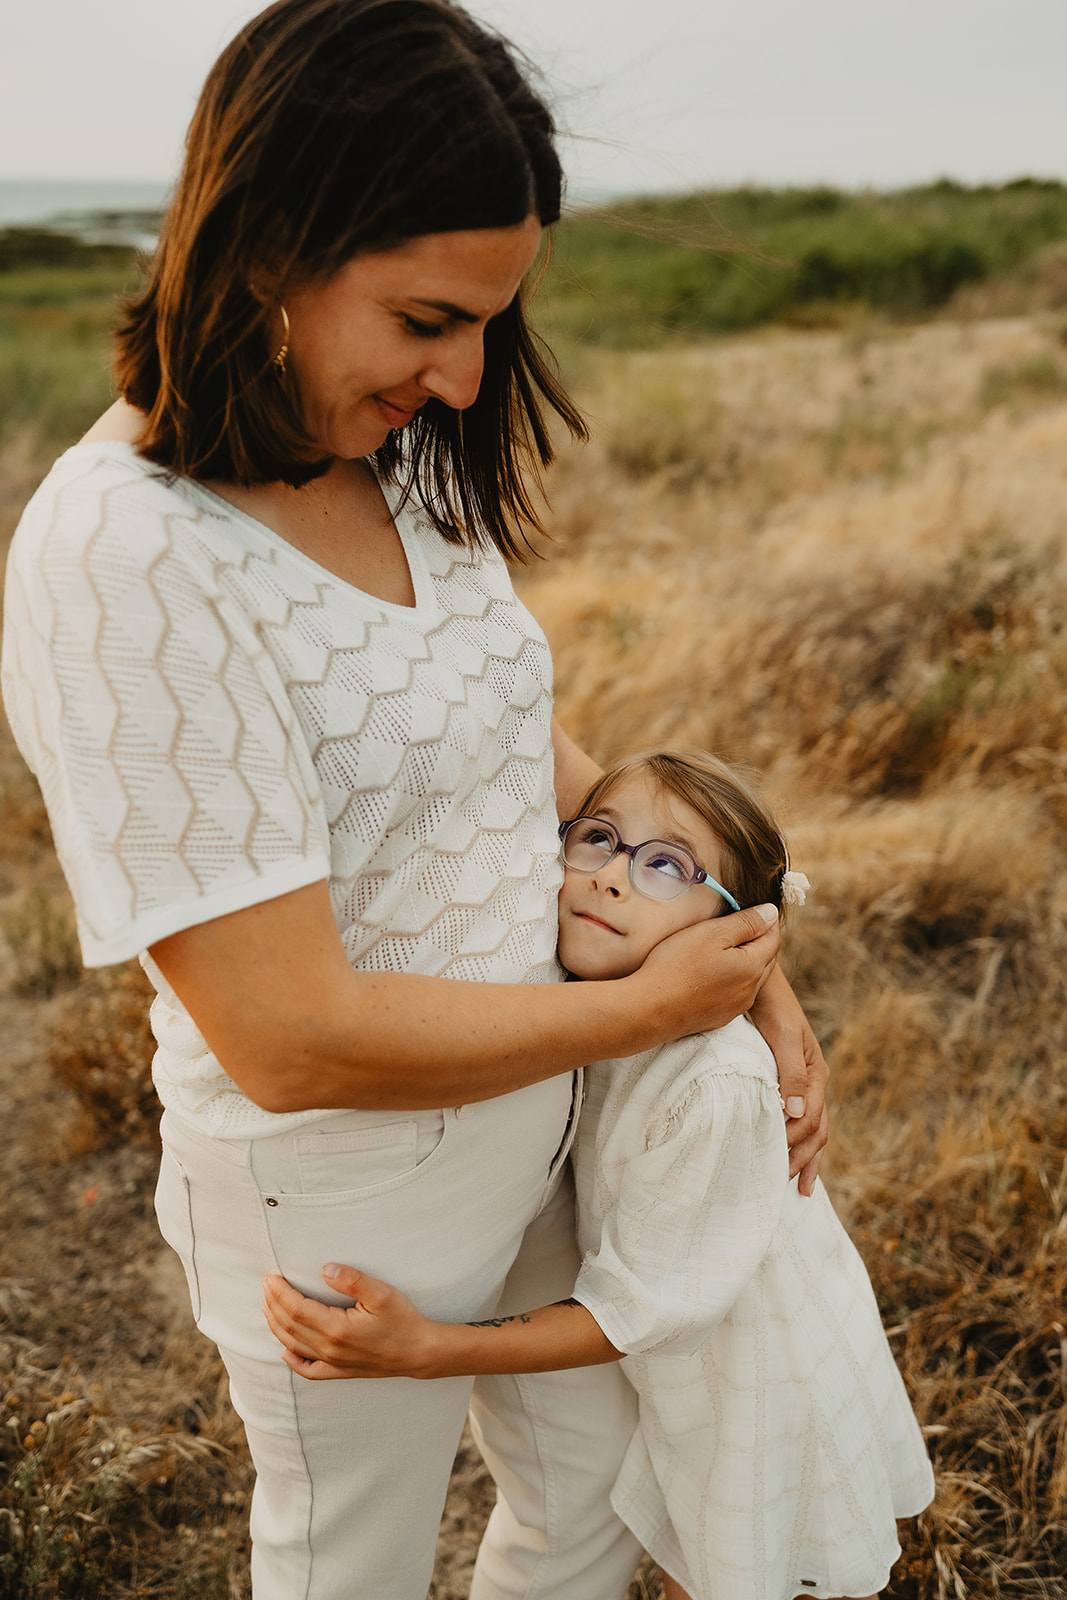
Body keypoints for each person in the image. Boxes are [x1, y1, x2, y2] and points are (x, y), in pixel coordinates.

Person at [0, 3, 829, 1597]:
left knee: (589, 1506)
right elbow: (290, 1034)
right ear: (269, 247)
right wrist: (644, 1014)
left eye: (487, 324)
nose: (460, 379)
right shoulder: (125, 554)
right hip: (342, 1208)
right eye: (426, 319)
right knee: (353, 1568)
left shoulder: (386, 446)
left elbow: (504, 730)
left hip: (546, 1127)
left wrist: (740, 968)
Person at [263, 749, 934, 1600]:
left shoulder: (714, 1085)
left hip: (753, 1385)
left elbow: (636, 1310)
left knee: (739, 1574)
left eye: (667, 867)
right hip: (680, 1362)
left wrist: (435, 1350)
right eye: (598, 839)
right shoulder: (576, 991)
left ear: (734, 934)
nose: (611, 877)